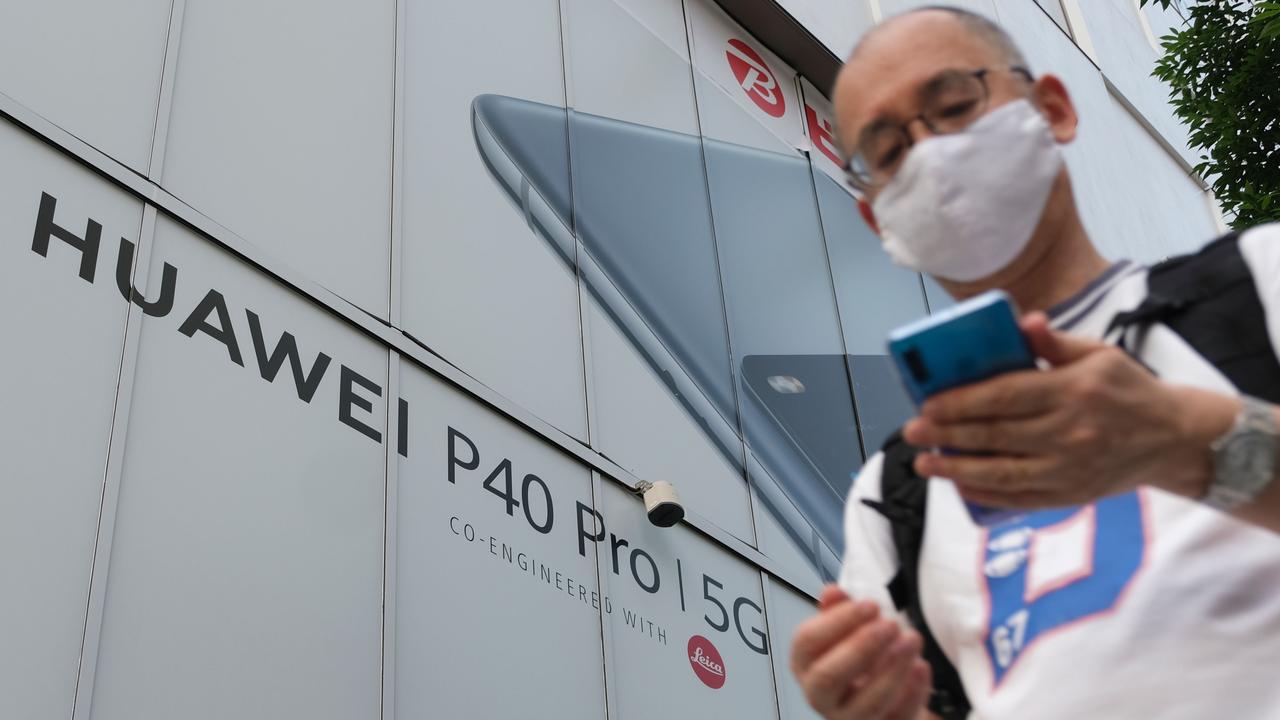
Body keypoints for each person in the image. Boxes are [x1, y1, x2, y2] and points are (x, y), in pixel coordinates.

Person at [790, 6, 1280, 720]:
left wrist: (1193, 441)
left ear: (1053, 109)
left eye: (955, 104)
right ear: (878, 219)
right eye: (889, 152)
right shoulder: (895, 494)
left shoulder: (1260, 281)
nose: (930, 154)